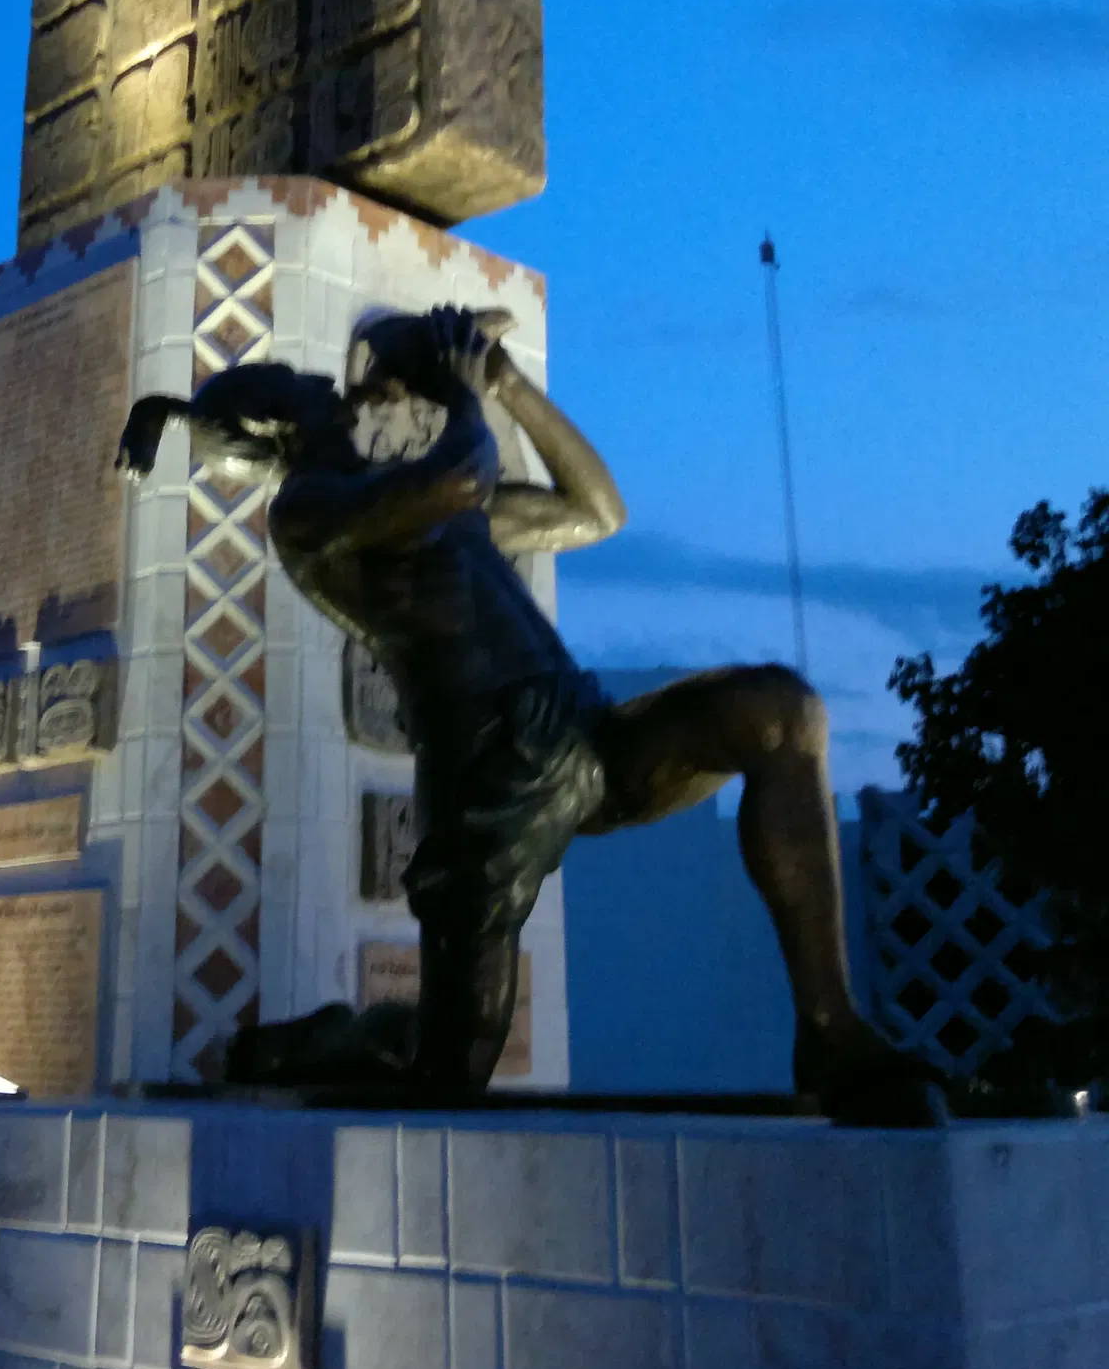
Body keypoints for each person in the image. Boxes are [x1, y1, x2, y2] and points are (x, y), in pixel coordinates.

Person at [117, 305, 942, 1124]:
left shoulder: (429, 513)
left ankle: (830, 1029)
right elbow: (459, 478)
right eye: (297, 384)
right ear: (275, 424)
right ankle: (327, 1041)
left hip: (583, 734)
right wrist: (457, 386)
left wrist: (504, 381)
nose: (324, 384)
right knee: (449, 1075)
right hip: (488, 786)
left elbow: (598, 510)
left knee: (779, 710)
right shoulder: (308, 512)